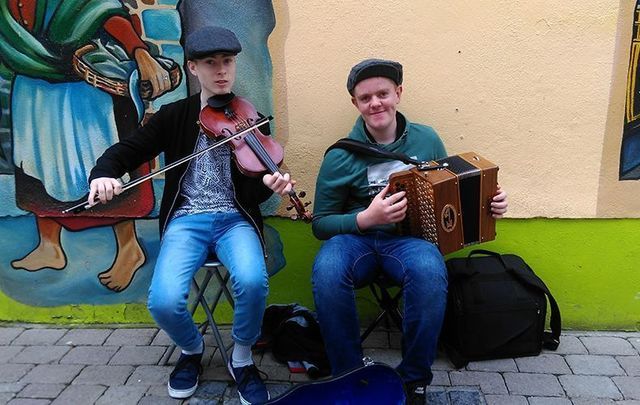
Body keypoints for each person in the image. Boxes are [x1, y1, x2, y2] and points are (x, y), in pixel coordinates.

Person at [87, 26, 292, 403]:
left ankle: (243, 358)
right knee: (163, 301)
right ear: (193, 68)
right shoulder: (174, 116)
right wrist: (104, 174)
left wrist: (274, 184)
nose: (221, 71)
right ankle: (192, 350)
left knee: (252, 280)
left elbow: (258, 183)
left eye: (227, 62)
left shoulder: (251, 117)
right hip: (187, 221)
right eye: (211, 63)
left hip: (235, 220)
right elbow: (128, 150)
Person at [311, 58, 508, 404]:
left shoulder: (426, 139)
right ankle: (349, 375)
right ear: (355, 103)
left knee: (430, 269)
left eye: (383, 93)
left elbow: (450, 192)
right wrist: (364, 219)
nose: (375, 103)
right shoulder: (339, 156)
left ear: (398, 93)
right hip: (354, 242)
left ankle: (413, 380)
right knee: (327, 269)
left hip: (408, 242)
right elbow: (321, 223)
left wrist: (489, 207)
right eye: (365, 97)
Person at [2, 0, 173, 291]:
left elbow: (102, 9)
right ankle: (49, 247)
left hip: (82, 90)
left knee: (105, 166)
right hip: (32, 86)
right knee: (36, 163)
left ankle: (129, 248)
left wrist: (140, 52)